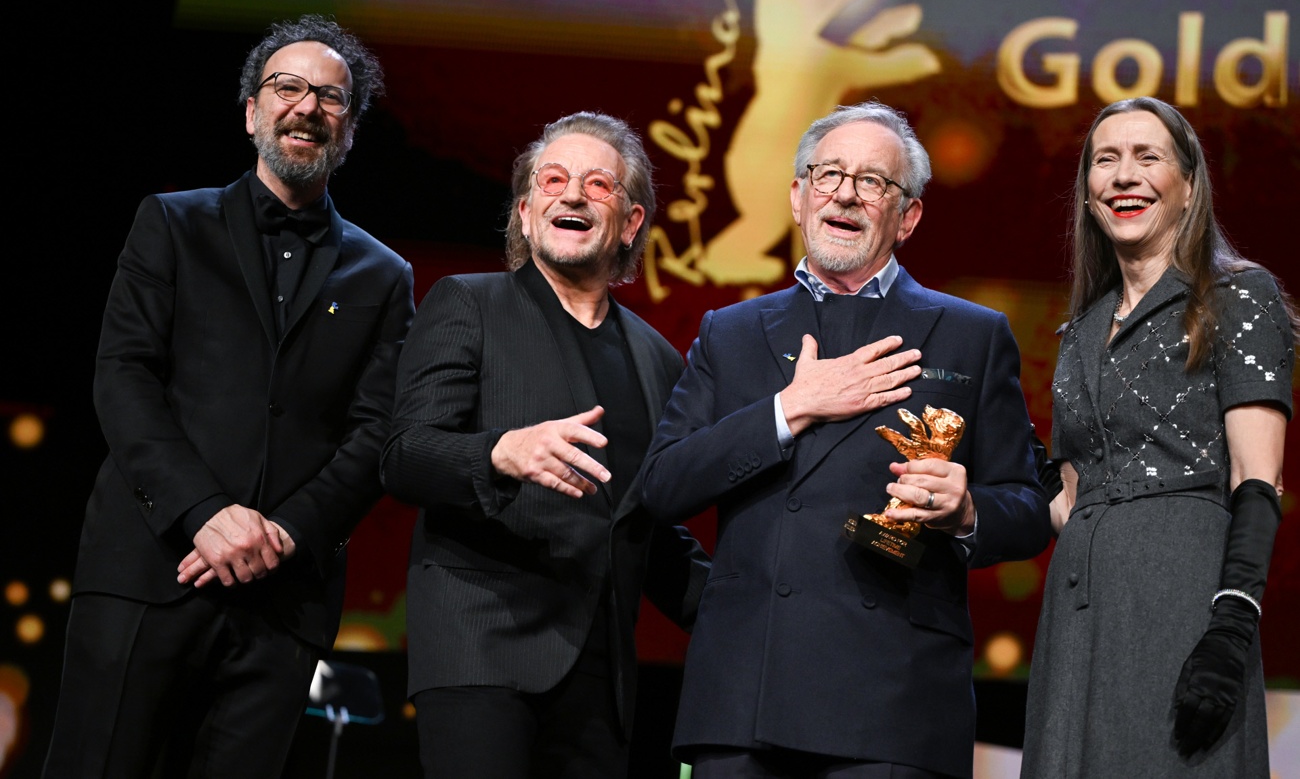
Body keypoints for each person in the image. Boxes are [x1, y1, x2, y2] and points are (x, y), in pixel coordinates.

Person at [44, 15, 415, 778]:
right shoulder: (172, 223)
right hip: (148, 571)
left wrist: (281, 534)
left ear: (349, 131)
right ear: (252, 111)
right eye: (287, 87)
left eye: (331, 97)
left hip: (283, 603)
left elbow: (378, 430)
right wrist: (205, 513)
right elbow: (123, 376)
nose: (307, 106)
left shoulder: (384, 276)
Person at [639, 101, 1053, 778]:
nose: (846, 194)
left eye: (873, 181)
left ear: (908, 215)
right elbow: (662, 485)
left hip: (894, 699)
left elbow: (1029, 509)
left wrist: (969, 509)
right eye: (828, 174)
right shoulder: (731, 331)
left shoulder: (971, 334)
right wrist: (790, 407)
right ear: (799, 197)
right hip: (746, 696)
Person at [382, 111, 709, 779]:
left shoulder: (659, 360)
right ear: (527, 213)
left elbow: (648, 526)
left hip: (600, 680)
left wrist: (762, 605)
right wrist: (500, 452)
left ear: (632, 221)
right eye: (554, 180)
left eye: (599, 183)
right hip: (483, 652)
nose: (574, 194)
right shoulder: (468, 304)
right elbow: (404, 454)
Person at [1021, 97, 1295, 777]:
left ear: (1188, 186)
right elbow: (1071, 500)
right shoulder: (1081, 330)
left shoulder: (1238, 295)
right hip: (1077, 616)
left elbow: (1257, 481)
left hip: (1179, 604)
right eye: (1106, 160)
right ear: (1086, 193)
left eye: (1148, 157)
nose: (1124, 175)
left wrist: (1231, 625)